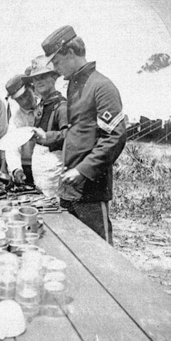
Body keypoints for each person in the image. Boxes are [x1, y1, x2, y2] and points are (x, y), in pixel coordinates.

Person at [41, 25, 126, 244]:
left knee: (100, 253)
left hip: (91, 188)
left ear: (70, 52)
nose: (56, 69)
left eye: (57, 62)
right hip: (70, 186)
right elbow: (76, 132)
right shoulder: (74, 86)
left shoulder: (101, 86)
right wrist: (47, 138)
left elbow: (115, 137)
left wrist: (82, 169)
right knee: (74, 249)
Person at [24, 56, 68, 197]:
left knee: (53, 204)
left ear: (54, 78)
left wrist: (47, 137)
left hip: (54, 163)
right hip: (39, 163)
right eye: (36, 78)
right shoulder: (41, 106)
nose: (39, 81)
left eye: (44, 76)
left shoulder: (61, 106)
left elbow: (69, 135)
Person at [4, 74, 41, 185]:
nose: (24, 101)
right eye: (19, 99)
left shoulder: (46, 106)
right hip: (27, 167)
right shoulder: (16, 119)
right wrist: (16, 169)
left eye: (26, 95)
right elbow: (12, 147)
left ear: (32, 88)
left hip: (47, 164)